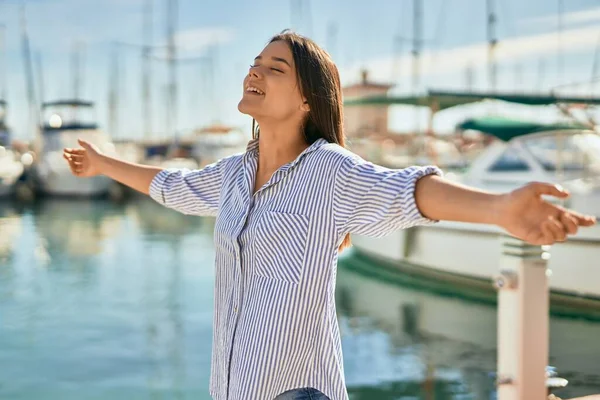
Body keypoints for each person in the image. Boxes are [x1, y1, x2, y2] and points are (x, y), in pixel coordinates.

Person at [63, 30, 596, 400]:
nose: (256, 71)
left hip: (297, 391)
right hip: (231, 386)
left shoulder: (329, 171)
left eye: (276, 68)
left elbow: (407, 191)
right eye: (255, 62)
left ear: (307, 102)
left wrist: (499, 206)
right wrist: (103, 163)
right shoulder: (230, 175)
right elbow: (173, 186)